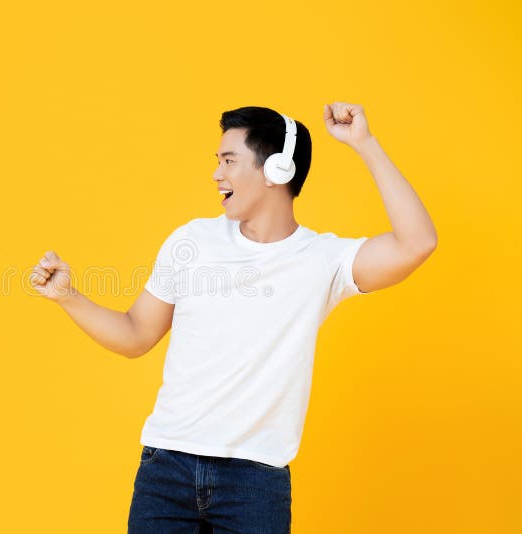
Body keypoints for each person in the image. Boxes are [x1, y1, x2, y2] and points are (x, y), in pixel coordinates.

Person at [29, 102, 437, 533]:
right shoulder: (191, 241)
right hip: (165, 469)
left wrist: (364, 144)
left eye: (229, 160)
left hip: (255, 483)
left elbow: (417, 243)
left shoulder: (323, 260)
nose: (216, 174)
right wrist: (67, 297)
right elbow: (135, 335)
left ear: (276, 170)